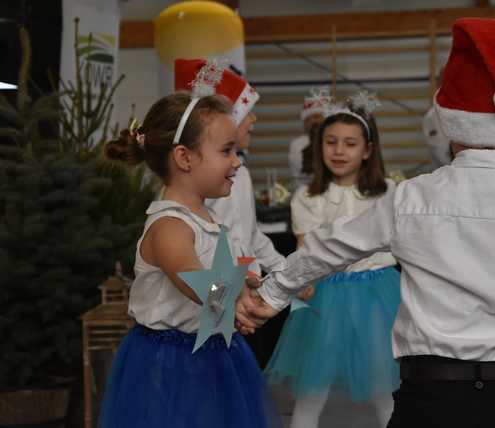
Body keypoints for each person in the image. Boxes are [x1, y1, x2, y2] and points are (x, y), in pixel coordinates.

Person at [235, 18, 495, 428]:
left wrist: (270, 294)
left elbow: (330, 247)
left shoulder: (410, 198)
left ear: (449, 121)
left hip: (429, 394)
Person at [99, 63, 281, 428]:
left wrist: (245, 291)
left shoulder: (210, 219)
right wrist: (239, 305)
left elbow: (220, 284)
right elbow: (201, 285)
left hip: (214, 352)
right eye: (226, 151)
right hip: (169, 363)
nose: (235, 162)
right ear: (184, 158)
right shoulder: (170, 227)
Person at [265, 93, 400, 428]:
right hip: (327, 298)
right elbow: (305, 253)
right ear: (318, 145)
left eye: (350, 143)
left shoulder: (387, 191)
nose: (339, 151)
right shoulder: (307, 198)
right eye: (331, 142)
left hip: (378, 296)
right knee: (312, 388)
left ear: (368, 149)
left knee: (385, 388)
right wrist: (301, 285)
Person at [173, 59, 286, 275]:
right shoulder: (182, 208)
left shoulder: (240, 173)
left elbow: (249, 236)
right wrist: (233, 292)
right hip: (220, 296)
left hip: (235, 292)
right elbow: (202, 287)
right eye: (246, 112)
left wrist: (285, 273)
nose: (253, 118)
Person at [289, 88, 329, 189]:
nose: (312, 122)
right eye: (307, 120)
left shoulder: (333, 141)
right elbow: (301, 170)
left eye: (316, 117)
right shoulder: (297, 144)